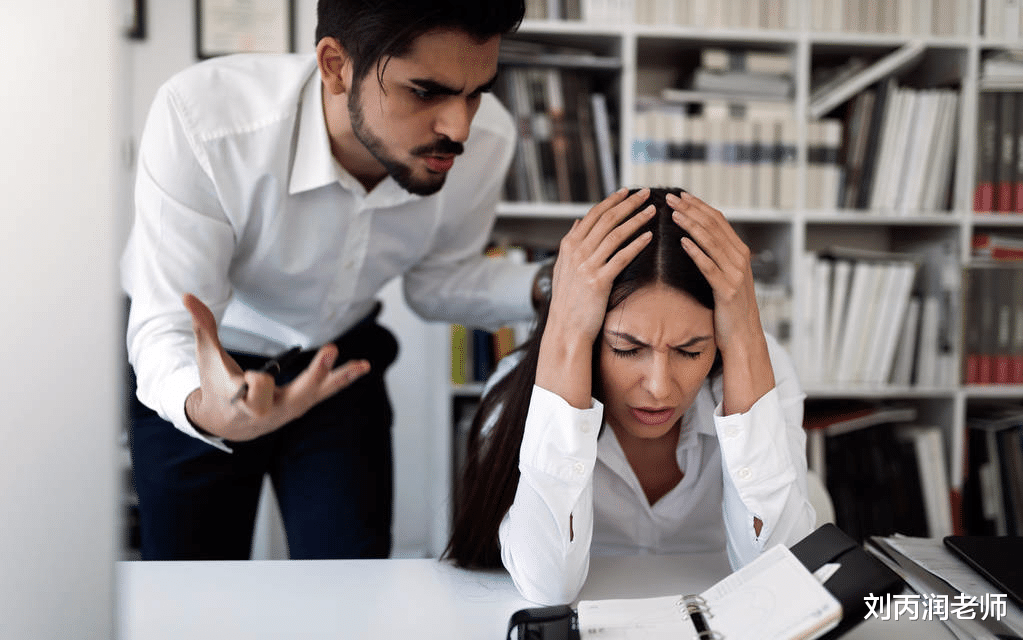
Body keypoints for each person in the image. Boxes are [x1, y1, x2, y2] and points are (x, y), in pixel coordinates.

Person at [121, 0, 541, 560]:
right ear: (336, 66)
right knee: (189, 590)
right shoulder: (205, 120)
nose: (458, 127)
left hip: (339, 367)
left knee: (351, 586)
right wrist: (205, 406)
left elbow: (438, 282)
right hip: (204, 369)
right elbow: (166, 325)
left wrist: (553, 284)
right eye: (425, 91)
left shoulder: (488, 140)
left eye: (475, 91)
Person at [445, 187, 815, 605]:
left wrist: (746, 335)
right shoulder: (513, 391)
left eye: (691, 350)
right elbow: (547, 586)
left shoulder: (758, 368)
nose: (659, 387)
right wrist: (564, 334)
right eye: (626, 348)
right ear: (587, 334)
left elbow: (781, 573)